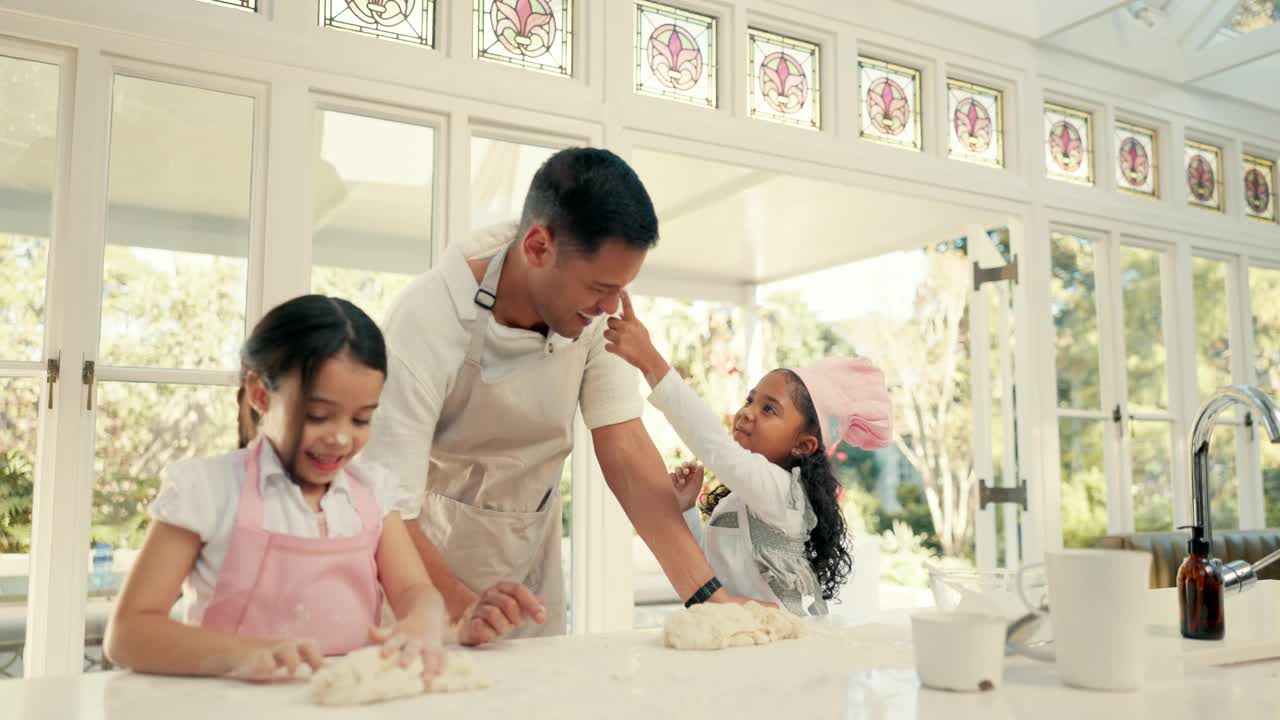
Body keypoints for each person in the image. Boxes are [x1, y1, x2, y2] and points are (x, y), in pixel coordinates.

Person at [363, 147, 751, 643]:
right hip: (422, 591)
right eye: (599, 287)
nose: (612, 307)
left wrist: (710, 599)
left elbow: (626, 451)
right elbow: (387, 505)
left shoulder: (599, 316)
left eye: (622, 289)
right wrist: (463, 610)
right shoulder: (426, 320)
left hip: (527, 583)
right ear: (538, 247)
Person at [105, 295, 448, 680]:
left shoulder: (372, 493)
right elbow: (129, 634)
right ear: (260, 394)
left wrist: (423, 621)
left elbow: (415, 591)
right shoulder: (207, 490)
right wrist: (247, 654)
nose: (340, 438)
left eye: (361, 419)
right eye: (318, 415)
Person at [604, 291, 893, 614]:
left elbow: (715, 446)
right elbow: (708, 574)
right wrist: (685, 510)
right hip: (746, 637)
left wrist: (650, 360)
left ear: (804, 445)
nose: (748, 413)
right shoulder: (739, 500)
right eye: (750, 400)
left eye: (769, 409)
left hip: (781, 648)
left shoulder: (783, 493)